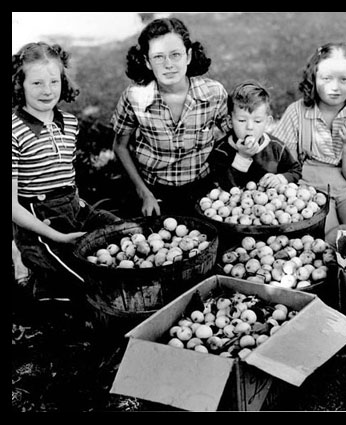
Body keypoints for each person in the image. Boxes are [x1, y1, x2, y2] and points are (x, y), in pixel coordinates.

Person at [12, 42, 121, 302]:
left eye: (53, 81)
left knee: (125, 232)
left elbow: (67, 177)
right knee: (90, 283)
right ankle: (41, 284)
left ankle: (51, 280)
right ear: (19, 85)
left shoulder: (69, 124)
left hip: (74, 209)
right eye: (36, 83)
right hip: (38, 224)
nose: (47, 90)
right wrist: (57, 236)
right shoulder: (14, 130)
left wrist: (82, 211)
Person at [111, 17, 230, 217]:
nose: (168, 64)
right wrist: (144, 193)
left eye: (176, 55)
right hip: (155, 191)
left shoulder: (213, 93)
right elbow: (119, 146)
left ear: (189, 56)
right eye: (158, 57)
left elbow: (234, 136)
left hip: (204, 190)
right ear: (147, 62)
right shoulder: (135, 97)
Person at [272, 42, 346, 243]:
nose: (335, 87)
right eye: (326, 78)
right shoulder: (296, 113)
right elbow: (288, 166)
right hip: (313, 184)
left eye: (344, 79)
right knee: (325, 235)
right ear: (313, 78)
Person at [208, 80, 302, 191]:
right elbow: (223, 185)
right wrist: (242, 157)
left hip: (271, 205)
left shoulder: (276, 147)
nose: (250, 127)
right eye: (242, 120)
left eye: (257, 121)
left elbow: (295, 170)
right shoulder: (221, 150)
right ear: (229, 121)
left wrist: (281, 178)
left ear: (268, 122)